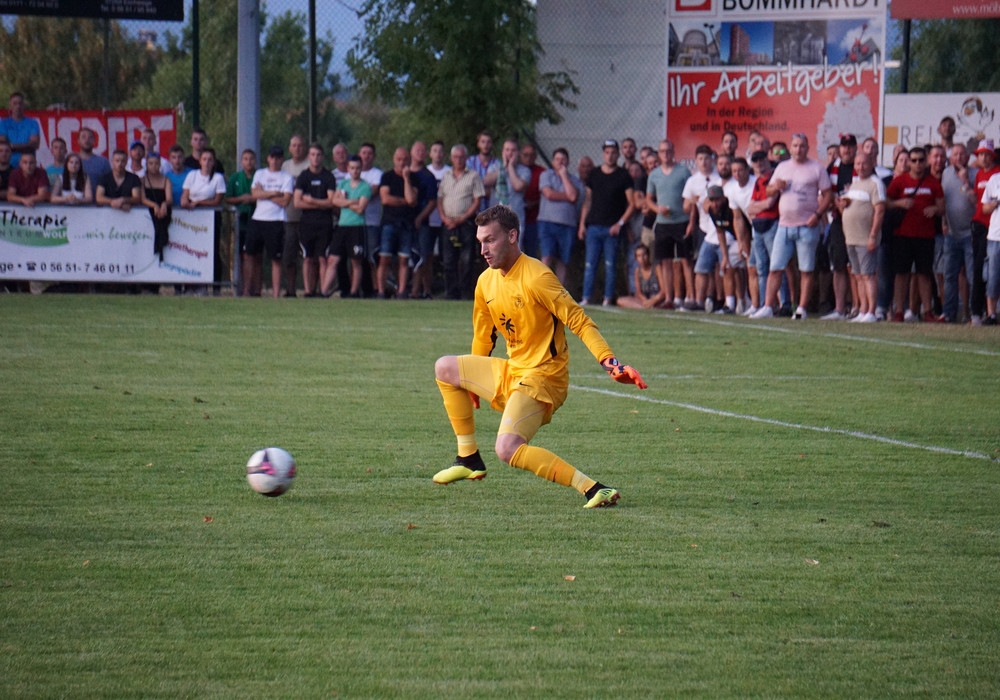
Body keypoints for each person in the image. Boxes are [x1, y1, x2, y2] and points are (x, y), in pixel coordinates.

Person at [431, 204, 646, 509]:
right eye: (480, 242)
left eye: (490, 240)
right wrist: (470, 384)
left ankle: (593, 488)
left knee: (507, 448)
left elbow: (579, 321)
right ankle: (468, 458)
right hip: (514, 371)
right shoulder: (486, 282)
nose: (483, 250)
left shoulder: (537, 277)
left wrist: (610, 363)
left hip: (545, 378)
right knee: (445, 367)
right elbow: (484, 336)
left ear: (512, 236)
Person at [751, 133, 833, 319]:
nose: (798, 149)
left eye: (802, 146)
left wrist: (817, 215)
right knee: (775, 268)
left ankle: (801, 308)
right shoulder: (782, 167)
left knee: (806, 269)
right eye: (795, 146)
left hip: (807, 225)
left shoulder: (816, 168)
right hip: (783, 225)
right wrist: (776, 186)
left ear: (807, 148)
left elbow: (828, 195)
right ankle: (768, 307)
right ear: (791, 148)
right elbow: (769, 190)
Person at [885, 146, 944, 322]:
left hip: (925, 235)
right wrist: (899, 203)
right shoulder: (900, 181)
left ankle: (927, 312)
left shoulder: (933, 182)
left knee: (924, 274)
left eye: (920, 160)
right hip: (902, 234)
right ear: (909, 162)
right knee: (901, 274)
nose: (917, 164)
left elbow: (942, 208)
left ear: (926, 161)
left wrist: (935, 209)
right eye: (914, 160)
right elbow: (885, 202)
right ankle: (899, 311)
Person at [578, 139, 635, 306]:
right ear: (603, 154)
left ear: (618, 154)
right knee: (590, 264)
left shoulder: (623, 176)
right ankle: (586, 298)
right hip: (594, 227)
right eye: (607, 152)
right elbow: (587, 200)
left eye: (613, 152)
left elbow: (631, 203)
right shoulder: (594, 174)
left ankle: (607, 298)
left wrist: (620, 223)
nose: (610, 156)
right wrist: (582, 224)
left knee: (610, 265)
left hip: (612, 229)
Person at [838, 149, 884, 323]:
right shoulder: (854, 184)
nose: (860, 167)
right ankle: (863, 310)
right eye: (857, 164)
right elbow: (848, 208)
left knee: (868, 275)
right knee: (858, 276)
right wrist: (841, 205)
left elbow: (879, 211)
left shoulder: (875, 183)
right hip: (851, 238)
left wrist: (873, 236)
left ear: (872, 163)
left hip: (865, 239)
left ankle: (872, 312)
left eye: (864, 163)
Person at [646, 139, 692, 309]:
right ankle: (669, 297)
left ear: (673, 152)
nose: (666, 154)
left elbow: (691, 196)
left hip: (681, 221)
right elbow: (648, 199)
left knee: (685, 260)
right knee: (665, 261)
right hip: (663, 223)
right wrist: (657, 208)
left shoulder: (683, 172)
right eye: (662, 151)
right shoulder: (654, 174)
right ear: (659, 154)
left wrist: (690, 219)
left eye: (668, 151)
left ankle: (688, 297)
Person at [246, 146, 295, 298]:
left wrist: (264, 194)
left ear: (281, 159)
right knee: (250, 255)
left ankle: (275, 294)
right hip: (258, 219)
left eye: (278, 158)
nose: (274, 161)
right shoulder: (260, 174)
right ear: (268, 158)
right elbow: (255, 194)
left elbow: (285, 201)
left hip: (276, 220)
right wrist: (274, 193)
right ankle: (249, 291)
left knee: (275, 258)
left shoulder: (287, 177)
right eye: (272, 157)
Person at [438, 143, 485, 300]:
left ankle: (465, 292)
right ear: (451, 158)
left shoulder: (473, 176)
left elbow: (477, 200)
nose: (458, 159)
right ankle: (450, 292)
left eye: (461, 156)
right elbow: (440, 198)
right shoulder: (446, 176)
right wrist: (444, 217)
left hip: (466, 223)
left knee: (467, 260)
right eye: (455, 157)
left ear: (466, 158)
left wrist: (461, 219)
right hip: (447, 223)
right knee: (448, 260)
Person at [820, 134, 858, 321]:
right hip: (837, 221)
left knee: (857, 267)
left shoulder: (862, 167)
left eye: (850, 146)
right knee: (839, 265)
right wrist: (833, 202)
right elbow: (824, 193)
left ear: (855, 148)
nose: (846, 150)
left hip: (857, 222)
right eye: (844, 146)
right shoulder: (832, 168)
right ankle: (839, 308)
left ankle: (859, 307)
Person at [681, 144, 722, 311]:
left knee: (720, 266)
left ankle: (719, 299)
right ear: (696, 161)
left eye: (707, 158)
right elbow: (685, 206)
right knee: (702, 265)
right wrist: (692, 201)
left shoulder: (718, 178)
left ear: (712, 159)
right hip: (703, 227)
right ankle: (701, 299)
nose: (704, 162)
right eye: (700, 159)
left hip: (719, 226)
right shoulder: (692, 181)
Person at [293, 141, 337, 298]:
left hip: (325, 223)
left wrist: (311, 201)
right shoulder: (303, 177)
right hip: (307, 223)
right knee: (307, 258)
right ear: (308, 157)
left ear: (323, 157)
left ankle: (323, 291)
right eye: (312, 155)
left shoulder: (328, 177)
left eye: (318, 155)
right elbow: (297, 202)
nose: (316, 158)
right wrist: (321, 203)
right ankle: (307, 290)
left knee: (322, 258)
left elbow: (331, 202)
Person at [940, 143, 978, 323]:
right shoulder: (946, 174)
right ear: (951, 157)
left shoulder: (975, 174)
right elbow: (943, 200)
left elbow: (977, 203)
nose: (959, 157)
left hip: (970, 234)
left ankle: (972, 313)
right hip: (951, 233)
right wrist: (943, 222)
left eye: (962, 154)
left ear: (968, 157)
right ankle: (948, 313)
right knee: (949, 275)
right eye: (955, 154)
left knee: (971, 275)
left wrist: (965, 182)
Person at [376, 146, 419, 298]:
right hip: (389, 223)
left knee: (404, 259)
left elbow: (412, 200)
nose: (402, 162)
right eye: (399, 159)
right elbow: (385, 199)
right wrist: (404, 201)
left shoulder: (413, 178)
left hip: (406, 224)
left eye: (405, 159)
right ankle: (380, 291)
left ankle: (401, 291)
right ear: (394, 160)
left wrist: (406, 178)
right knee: (384, 258)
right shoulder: (386, 177)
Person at [537, 147, 582, 285]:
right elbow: (548, 194)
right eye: (557, 159)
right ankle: (541, 288)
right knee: (547, 256)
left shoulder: (574, 179)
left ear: (568, 161)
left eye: (563, 159)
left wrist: (564, 176)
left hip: (567, 224)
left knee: (563, 260)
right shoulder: (546, 175)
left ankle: (559, 292)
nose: (560, 162)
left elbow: (573, 196)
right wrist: (567, 196)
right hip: (547, 222)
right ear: (553, 161)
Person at [330, 154, 372, 299]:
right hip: (342, 225)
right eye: (352, 168)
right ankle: (323, 292)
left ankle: (354, 292)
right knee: (334, 259)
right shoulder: (343, 184)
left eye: (358, 168)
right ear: (348, 169)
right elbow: (335, 201)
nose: (355, 171)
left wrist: (345, 202)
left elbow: (361, 209)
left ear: (361, 169)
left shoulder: (365, 186)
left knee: (356, 261)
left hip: (357, 227)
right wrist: (352, 201)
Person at [744, 150, 780, 315]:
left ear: (767, 159)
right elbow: (750, 207)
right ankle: (764, 305)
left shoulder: (774, 178)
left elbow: (769, 203)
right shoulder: (758, 181)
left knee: (776, 266)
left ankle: (782, 303)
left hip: (771, 224)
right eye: (755, 161)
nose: (759, 163)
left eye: (761, 160)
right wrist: (760, 206)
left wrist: (759, 206)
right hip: (758, 227)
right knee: (761, 268)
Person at [969, 139, 997, 325]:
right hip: (980, 225)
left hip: (994, 227)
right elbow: (978, 201)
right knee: (979, 268)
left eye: (987, 154)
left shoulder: (997, 174)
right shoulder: (979, 174)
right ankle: (977, 312)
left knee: (992, 271)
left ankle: (990, 311)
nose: (984, 158)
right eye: (981, 154)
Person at [408, 140, 439, 300]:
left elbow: (432, 202)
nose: (420, 152)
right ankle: (408, 289)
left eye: (422, 150)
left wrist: (420, 218)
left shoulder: (429, 176)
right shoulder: (404, 173)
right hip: (404, 222)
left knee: (424, 256)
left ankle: (425, 291)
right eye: (417, 149)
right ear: (411, 152)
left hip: (423, 223)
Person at [226, 148, 258, 295]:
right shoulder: (235, 178)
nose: (248, 162)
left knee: (254, 255)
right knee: (240, 256)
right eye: (245, 159)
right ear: (241, 161)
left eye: (251, 159)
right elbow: (227, 198)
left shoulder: (259, 176)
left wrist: (253, 199)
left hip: (256, 219)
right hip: (240, 221)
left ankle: (253, 289)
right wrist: (241, 199)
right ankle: (239, 288)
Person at [280, 135, 309, 298]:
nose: (297, 148)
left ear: (304, 148)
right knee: (289, 256)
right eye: (294, 145)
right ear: (290, 148)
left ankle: (309, 289)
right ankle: (290, 289)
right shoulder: (285, 166)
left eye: (300, 145)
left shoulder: (309, 165)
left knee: (309, 258)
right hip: (289, 218)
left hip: (306, 218)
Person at [493, 138, 530, 231]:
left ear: (518, 152)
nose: (510, 153)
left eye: (513, 150)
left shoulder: (525, 170)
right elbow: (487, 180)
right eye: (507, 150)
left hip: (515, 218)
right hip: (496, 217)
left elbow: (518, 186)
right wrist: (503, 168)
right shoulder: (496, 166)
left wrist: (510, 167)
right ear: (503, 151)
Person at [140, 153, 172, 262]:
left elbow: (169, 198)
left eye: (156, 164)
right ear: (147, 165)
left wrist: (163, 204)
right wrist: (154, 205)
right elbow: (142, 199)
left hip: (163, 212)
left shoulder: (166, 180)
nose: (154, 166)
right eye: (151, 163)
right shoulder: (142, 180)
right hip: (149, 213)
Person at [617, 243, 665, 309]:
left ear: (648, 255)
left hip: (657, 299)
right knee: (620, 300)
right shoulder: (637, 271)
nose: (642, 258)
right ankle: (645, 307)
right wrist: (645, 300)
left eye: (644, 255)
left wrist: (653, 300)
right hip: (645, 300)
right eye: (639, 256)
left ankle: (648, 307)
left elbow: (663, 291)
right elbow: (639, 292)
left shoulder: (656, 268)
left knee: (660, 299)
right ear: (636, 258)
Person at [980, 169, 1000, 325]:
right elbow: (984, 208)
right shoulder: (995, 179)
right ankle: (991, 314)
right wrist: (995, 203)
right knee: (993, 277)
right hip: (995, 236)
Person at [520, 143, 545, 258]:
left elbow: (545, 195)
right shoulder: (515, 170)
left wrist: (534, 203)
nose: (529, 158)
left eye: (531, 155)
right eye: (526, 155)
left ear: (535, 157)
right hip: (517, 218)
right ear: (520, 155)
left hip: (533, 219)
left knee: (531, 254)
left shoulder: (542, 172)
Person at [0, 92, 39, 167]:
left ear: (24, 105)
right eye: (15, 103)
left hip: (27, 166)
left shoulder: (32, 123)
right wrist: (25, 146)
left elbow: (34, 144)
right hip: (8, 166)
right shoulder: (3, 123)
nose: (18, 106)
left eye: (20, 103)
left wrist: (12, 146)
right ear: (10, 106)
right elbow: (3, 143)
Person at [467, 130, 499, 211]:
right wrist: (486, 192)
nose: (486, 145)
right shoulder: (470, 162)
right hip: (473, 211)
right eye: (483, 142)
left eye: (489, 142)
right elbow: (467, 185)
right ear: (478, 144)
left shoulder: (498, 164)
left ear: (492, 144)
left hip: (493, 210)